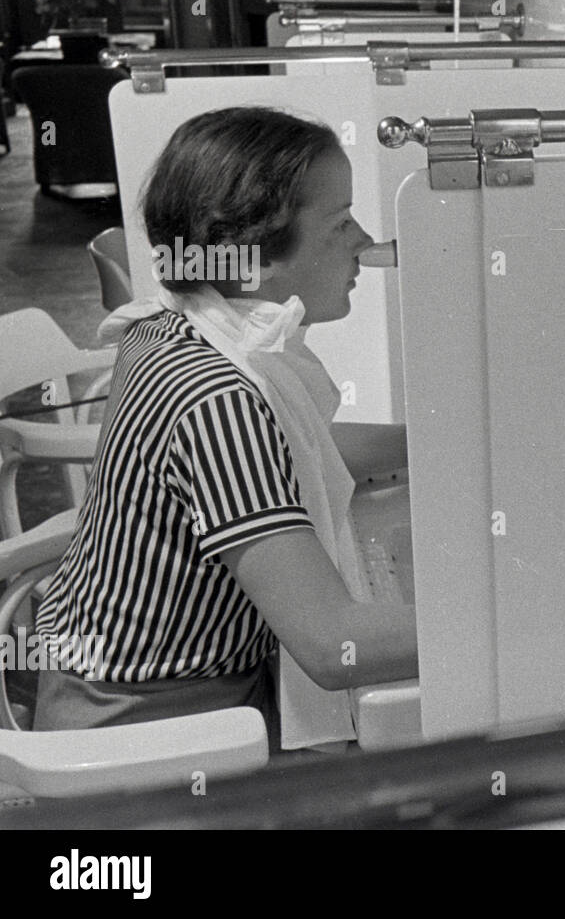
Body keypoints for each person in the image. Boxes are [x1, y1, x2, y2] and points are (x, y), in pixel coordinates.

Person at [32, 107, 417, 739]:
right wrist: (553, 612)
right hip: (152, 724)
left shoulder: (171, 323)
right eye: (340, 222)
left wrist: (439, 447)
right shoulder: (218, 397)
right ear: (254, 255)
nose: (365, 241)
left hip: (96, 679)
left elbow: (294, 452)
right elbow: (333, 644)